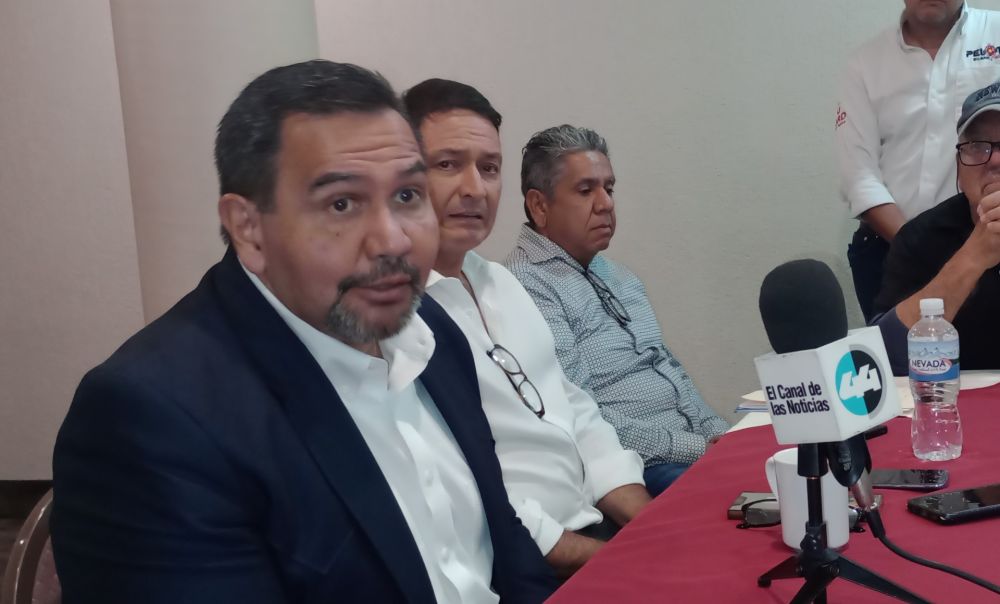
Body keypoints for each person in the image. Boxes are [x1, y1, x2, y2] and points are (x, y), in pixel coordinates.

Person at [50, 60, 556, 603]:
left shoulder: (434, 331)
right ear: (248, 228)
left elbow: (508, 551)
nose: (392, 241)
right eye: (342, 204)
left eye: (408, 196)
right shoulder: (153, 419)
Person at [402, 80, 649, 577]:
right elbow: (475, 497)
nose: (475, 188)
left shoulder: (502, 283)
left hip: (596, 529)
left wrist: (650, 527)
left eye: (489, 168)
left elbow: (575, 409)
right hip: (527, 566)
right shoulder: (396, 319)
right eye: (448, 164)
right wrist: (617, 561)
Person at [504, 125, 729, 496]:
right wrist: (699, 449)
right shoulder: (523, 287)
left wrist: (721, 435)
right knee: (738, 497)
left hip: (692, 450)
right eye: (585, 190)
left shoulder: (618, 275)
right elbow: (580, 414)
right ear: (539, 205)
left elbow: (668, 367)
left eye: (608, 188)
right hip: (634, 469)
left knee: (783, 465)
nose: (606, 204)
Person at [836, 0, 1000, 321]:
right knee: (899, 347)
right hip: (889, 249)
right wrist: (917, 249)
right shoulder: (865, 63)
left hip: (989, 235)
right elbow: (859, 176)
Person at [873, 81, 1000, 374]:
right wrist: (974, 256)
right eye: (977, 146)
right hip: (952, 398)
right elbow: (883, 358)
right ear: (959, 166)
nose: (994, 160)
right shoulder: (919, 239)